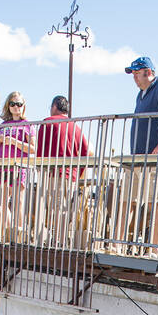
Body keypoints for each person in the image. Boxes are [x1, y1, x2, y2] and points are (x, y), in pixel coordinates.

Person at [123, 56, 158, 249]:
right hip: (138, 157)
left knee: (155, 202)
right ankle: (120, 243)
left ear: (148, 72)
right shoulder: (141, 95)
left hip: (155, 158)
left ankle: (155, 247)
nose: (134, 78)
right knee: (128, 199)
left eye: (137, 74)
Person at [35, 96, 94, 248]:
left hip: (52, 173)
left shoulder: (48, 122)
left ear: (54, 106)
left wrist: (40, 170)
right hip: (71, 176)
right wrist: (77, 172)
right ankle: (59, 240)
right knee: (64, 208)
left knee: (52, 207)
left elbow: (40, 150)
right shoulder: (76, 127)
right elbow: (86, 151)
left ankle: (54, 241)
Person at [0, 91, 35, 238]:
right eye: (13, 104)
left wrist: (14, 142)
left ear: (23, 106)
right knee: (0, 204)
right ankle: (8, 232)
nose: (16, 107)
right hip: (3, 167)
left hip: (19, 166)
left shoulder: (27, 125)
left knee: (18, 202)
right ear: (8, 106)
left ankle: (17, 235)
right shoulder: (2, 125)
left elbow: (33, 148)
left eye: (19, 104)